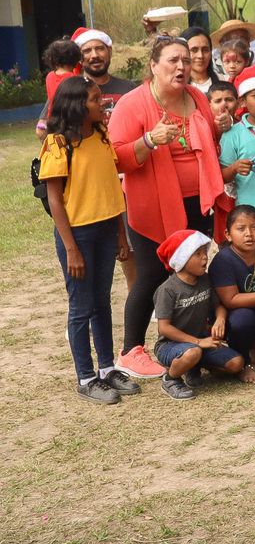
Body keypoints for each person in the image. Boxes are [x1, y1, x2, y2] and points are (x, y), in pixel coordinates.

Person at [108, 36, 226, 376]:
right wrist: (148, 140)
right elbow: (116, 157)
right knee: (151, 276)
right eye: (173, 60)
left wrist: (219, 130)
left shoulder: (196, 98)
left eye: (186, 61)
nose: (182, 67)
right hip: (151, 207)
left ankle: (192, 341)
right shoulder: (133, 104)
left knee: (194, 272)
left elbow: (208, 144)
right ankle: (131, 350)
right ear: (154, 66)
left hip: (196, 203)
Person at [39, 77, 137, 403]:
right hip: (78, 235)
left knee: (102, 303)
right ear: (79, 105)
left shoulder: (102, 135)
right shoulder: (57, 144)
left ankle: (108, 368)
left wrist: (121, 234)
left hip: (107, 229)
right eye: (97, 100)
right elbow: (55, 200)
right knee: (81, 307)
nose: (103, 105)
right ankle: (86, 376)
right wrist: (71, 249)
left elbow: (111, 187)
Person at [150, 229, 239, 399]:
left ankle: (193, 367)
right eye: (197, 254)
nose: (205, 257)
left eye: (204, 252)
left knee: (236, 364)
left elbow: (218, 305)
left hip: (201, 341)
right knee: (193, 352)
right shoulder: (167, 290)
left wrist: (220, 319)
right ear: (181, 259)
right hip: (170, 345)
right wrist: (198, 342)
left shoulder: (205, 279)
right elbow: (164, 328)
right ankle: (171, 379)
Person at [210, 205, 255, 384]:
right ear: (227, 234)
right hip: (235, 315)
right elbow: (230, 300)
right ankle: (244, 362)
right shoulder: (223, 260)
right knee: (243, 318)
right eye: (241, 229)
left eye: (254, 227)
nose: (249, 234)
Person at [73, 27, 139, 122]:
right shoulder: (70, 90)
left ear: (110, 51)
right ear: (79, 58)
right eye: (87, 51)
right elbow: (45, 124)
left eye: (100, 49)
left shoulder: (129, 89)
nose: (95, 55)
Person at [180, 26, 221, 94]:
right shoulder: (178, 86)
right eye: (194, 50)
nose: (200, 56)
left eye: (205, 50)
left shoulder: (224, 80)